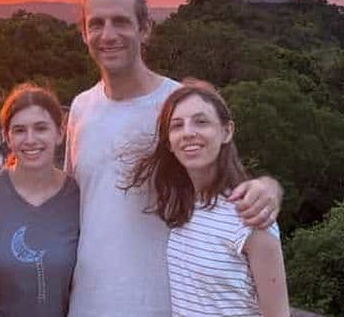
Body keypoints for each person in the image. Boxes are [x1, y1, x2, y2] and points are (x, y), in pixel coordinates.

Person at [64, 0, 282, 317]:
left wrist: (269, 187)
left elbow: (225, 170)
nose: (108, 34)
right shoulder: (80, 108)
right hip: (89, 303)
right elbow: (71, 200)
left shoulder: (178, 107)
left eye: (121, 21)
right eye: (96, 24)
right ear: (83, 34)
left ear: (145, 29)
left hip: (165, 304)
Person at [124, 79, 289, 316]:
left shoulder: (250, 215)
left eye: (201, 122)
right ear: (169, 143)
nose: (188, 133)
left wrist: (271, 186)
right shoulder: (178, 205)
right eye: (177, 125)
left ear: (226, 131)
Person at [0, 84, 80, 317]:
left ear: (60, 133)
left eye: (41, 128)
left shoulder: (79, 198)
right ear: (7, 137)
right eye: (19, 130)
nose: (30, 140)